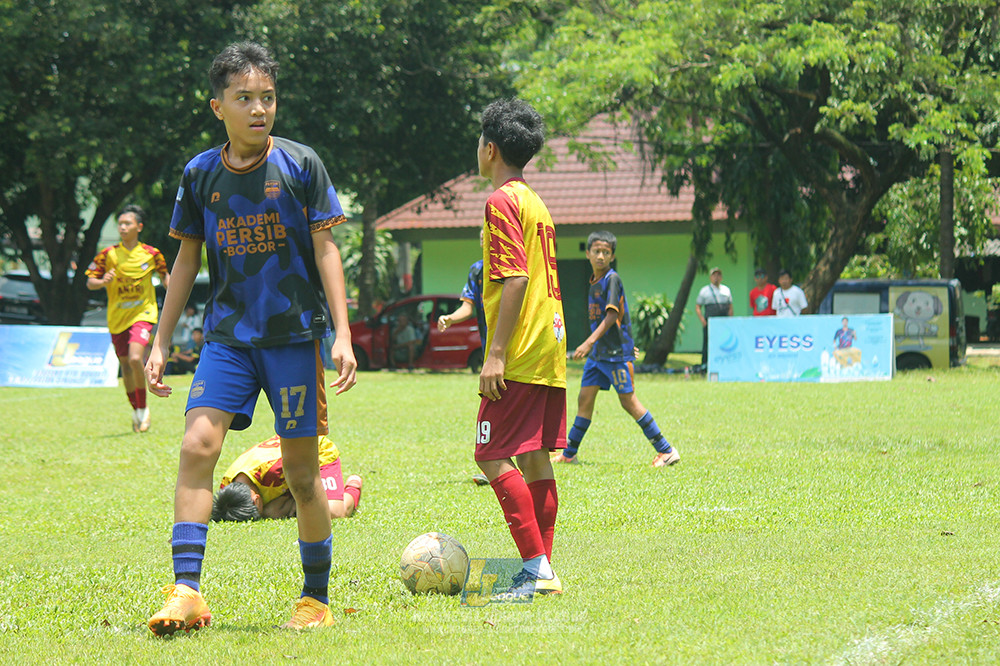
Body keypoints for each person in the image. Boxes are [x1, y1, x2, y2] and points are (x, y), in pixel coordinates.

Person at [143, 42, 357, 636]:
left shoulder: (301, 165)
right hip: (228, 340)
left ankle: (314, 598)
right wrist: (161, 342)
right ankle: (186, 591)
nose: (258, 108)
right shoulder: (199, 173)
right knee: (197, 448)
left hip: (293, 340)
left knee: (303, 476)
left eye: (267, 97)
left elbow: (326, 248)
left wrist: (342, 333)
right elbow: (186, 262)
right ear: (218, 106)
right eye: (244, 98)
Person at [475, 98, 565, 598]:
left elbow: (515, 278)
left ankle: (535, 567)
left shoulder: (501, 201)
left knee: (490, 455)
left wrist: (496, 354)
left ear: (490, 149)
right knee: (534, 459)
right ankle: (542, 568)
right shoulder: (536, 202)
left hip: (523, 349)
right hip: (549, 343)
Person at [552, 231, 679, 468]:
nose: (601, 256)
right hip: (599, 355)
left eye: (606, 252)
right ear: (588, 253)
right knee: (585, 398)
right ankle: (569, 453)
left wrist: (589, 342)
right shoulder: (595, 281)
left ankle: (666, 450)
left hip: (614, 356)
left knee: (628, 401)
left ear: (612, 255)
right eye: (596, 251)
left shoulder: (612, 279)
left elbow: (612, 315)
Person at [85, 204, 170, 433]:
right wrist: (103, 281)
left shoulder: (152, 254)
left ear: (138, 227)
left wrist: (174, 295)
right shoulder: (108, 255)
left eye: (127, 223)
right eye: (120, 224)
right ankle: (136, 409)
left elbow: (166, 277)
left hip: (143, 314)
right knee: (124, 364)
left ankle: (143, 411)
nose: (122, 227)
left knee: (135, 359)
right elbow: (90, 281)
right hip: (117, 317)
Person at [213, 434, 362, 521]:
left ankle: (353, 485)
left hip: (315, 451)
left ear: (257, 500)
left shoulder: (272, 471)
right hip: (288, 472)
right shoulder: (228, 490)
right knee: (272, 511)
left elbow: (303, 467)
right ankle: (294, 502)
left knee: (332, 512)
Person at [437, 230, 486, 349]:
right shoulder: (477, 270)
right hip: (488, 343)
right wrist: (450, 318)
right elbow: (467, 308)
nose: (483, 232)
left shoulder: (512, 269)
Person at [694, 267, 733, 368]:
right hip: (710, 322)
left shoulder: (726, 290)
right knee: (707, 344)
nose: (716, 277)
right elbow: (698, 307)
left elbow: (730, 306)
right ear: (710, 277)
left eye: (718, 275)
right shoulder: (704, 291)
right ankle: (705, 365)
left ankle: (723, 364)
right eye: (714, 275)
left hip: (723, 322)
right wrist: (702, 320)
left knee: (723, 342)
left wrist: (730, 319)